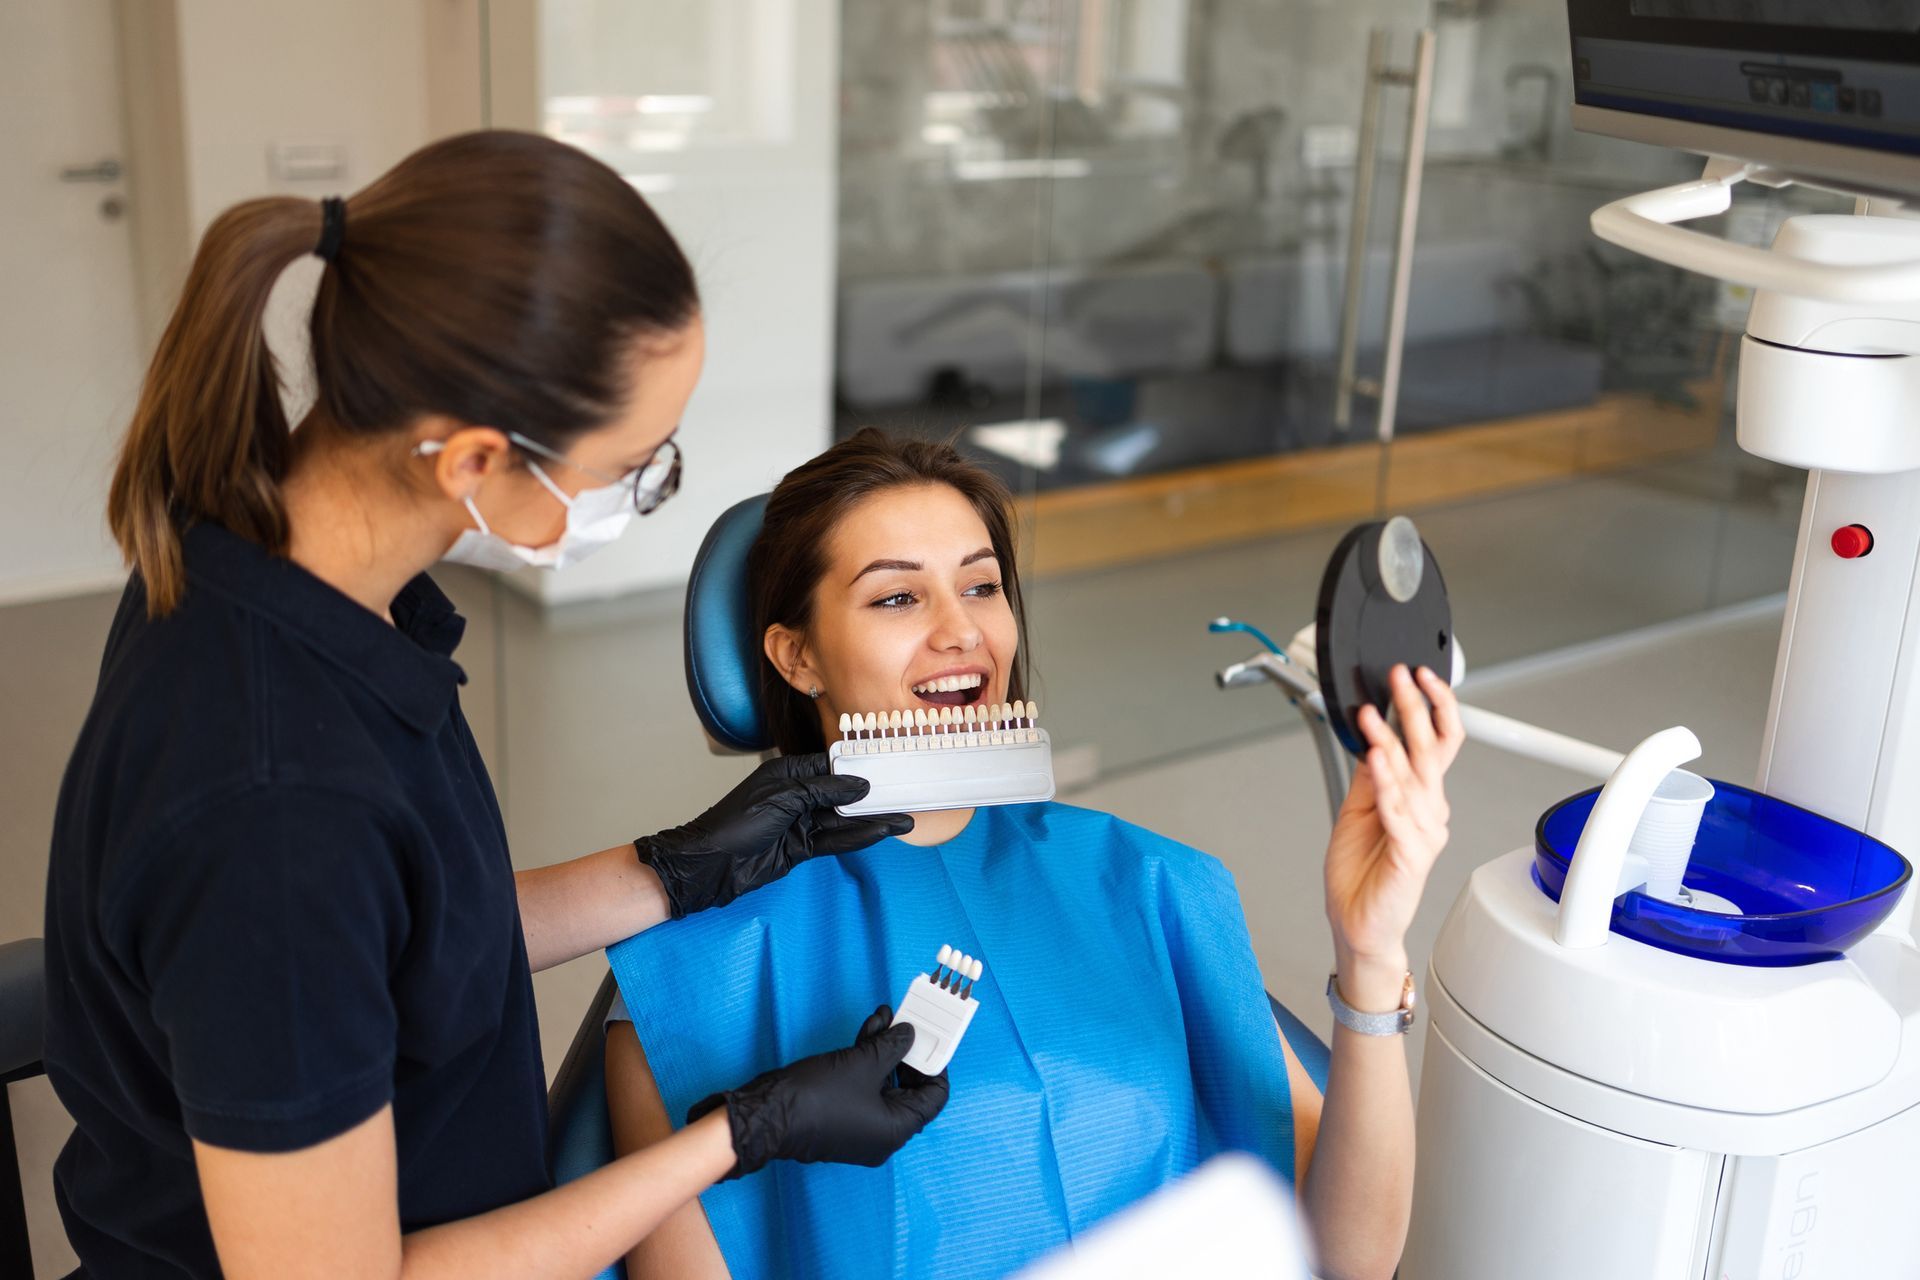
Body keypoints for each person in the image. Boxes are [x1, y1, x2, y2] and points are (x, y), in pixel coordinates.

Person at [41, 132, 945, 1280]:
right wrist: (738, 1135)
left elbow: (396, 946)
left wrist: (679, 865)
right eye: (638, 463)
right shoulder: (272, 806)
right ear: (475, 461)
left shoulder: (280, 564)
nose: (648, 491)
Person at [602, 429, 1463, 1280]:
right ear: (798, 657)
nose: (960, 631)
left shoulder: (1151, 884)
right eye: (898, 599)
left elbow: (1350, 1256)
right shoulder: (691, 972)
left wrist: (1369, 954)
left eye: (982, 587)